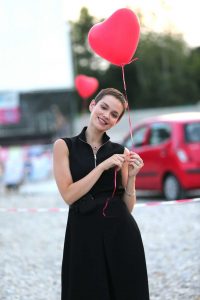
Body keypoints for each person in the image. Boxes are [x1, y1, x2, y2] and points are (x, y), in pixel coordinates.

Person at [53, 88, 149, 300]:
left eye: (114, 114)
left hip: (121, 234)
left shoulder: (121, 151)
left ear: (116, 122)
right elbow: (69, 195)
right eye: (103, 107)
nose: (106, 115)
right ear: (92, 105)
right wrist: (101, 167)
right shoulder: (64, 146)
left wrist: (132, 177)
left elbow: (128, 207)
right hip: (83, 235)